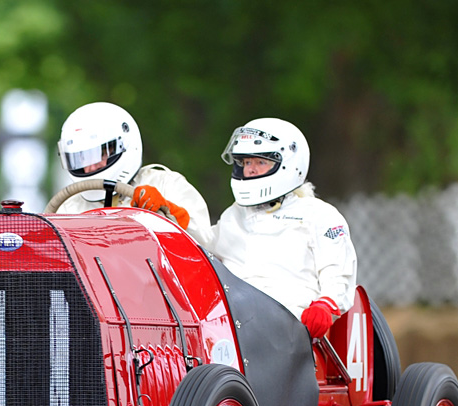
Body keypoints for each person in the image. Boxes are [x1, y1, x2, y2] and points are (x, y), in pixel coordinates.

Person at [207, 118, 358, 339]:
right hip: (232, 325)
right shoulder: (234, 215)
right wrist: (174, 216)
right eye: (246, 162)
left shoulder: (319, 215)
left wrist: (326, 305)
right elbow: (201, 249)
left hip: (291, 327)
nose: (250, 170)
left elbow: (337, 272)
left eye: (260, 162)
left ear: (288, 163)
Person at [54, 102, 213, 246]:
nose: (89, 168)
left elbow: (205, 240)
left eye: (98, 155)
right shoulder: (69, 209)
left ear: (124, 144)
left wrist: (168, 210)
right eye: (80, 159)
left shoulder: (165, 183)